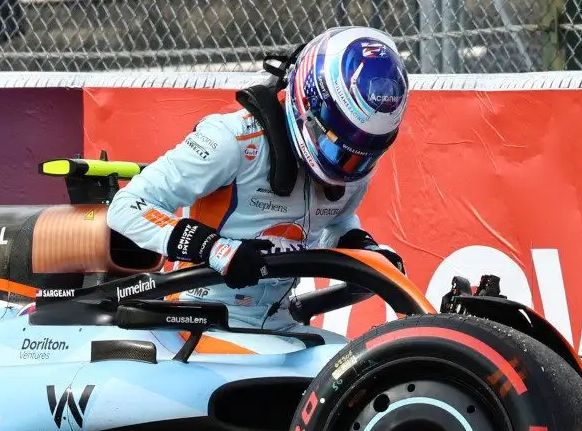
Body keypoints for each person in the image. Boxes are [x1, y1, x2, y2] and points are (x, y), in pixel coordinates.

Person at [106, 26, 410, 331]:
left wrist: (365, 249)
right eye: (337, 143)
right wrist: (215, 249)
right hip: (199, 321)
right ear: (311, 103)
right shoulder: (231, 140)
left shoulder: (355, 169)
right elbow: (127, 206)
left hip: (282, 323)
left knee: (369, 368)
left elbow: (335, 222)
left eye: (361, 154)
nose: (347, 163)